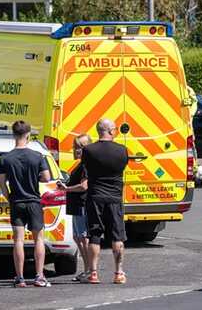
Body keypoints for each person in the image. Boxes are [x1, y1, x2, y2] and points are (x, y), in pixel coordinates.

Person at [0, 121, 52, 288]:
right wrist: (36, 177)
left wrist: (10, 198)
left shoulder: (6, 158)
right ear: (28, 135)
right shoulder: (37, 156)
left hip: (17, 202)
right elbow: (47, 177)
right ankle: (39, 276)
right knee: (39, 239)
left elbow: (2, 184)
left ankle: (20, 278)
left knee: (18, 241)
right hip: (34, 202)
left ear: (14, 135)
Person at [83, 119, 129, 285]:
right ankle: (118, 272)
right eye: (115, 129)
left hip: (95, 197)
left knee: (94, 235)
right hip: (115, 198)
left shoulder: (88, 150)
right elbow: (122, 168)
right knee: (117, 236)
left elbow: (86, 170)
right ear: (110, 131)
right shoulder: (122, 150)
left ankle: (93, 273)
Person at [57, 134, 93, 283]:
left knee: (83, 238)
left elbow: (84, 186)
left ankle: (90, 271)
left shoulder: (86, 165)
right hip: (76, 205)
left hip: (82, 205)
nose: (77, 150)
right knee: (78, 238)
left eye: (81, 147)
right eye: (76, 146)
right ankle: (87, 270)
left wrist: (67, 188)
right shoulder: (81, 164)